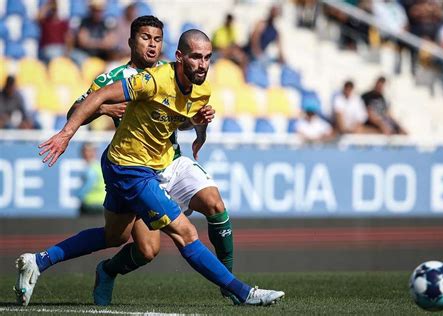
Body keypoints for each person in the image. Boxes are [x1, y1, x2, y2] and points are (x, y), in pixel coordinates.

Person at [18, 26, 285, 306]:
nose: (152, 45)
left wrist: (198, 127)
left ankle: (41, 261)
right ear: (132, 41)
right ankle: (241, 292)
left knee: (197, 211)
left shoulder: (190, 82)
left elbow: (177, 117)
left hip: (166, 161)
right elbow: (87, 103)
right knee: (171, 237)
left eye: (158, 39)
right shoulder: (142, 80)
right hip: (131, 165)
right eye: (146, 38)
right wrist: (73, 129)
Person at [77, 143, 106, 215]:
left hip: (90, 204)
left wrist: (79, 194)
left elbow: (89, 184)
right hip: (102, 203)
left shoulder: (90, 169)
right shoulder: (99, 166)